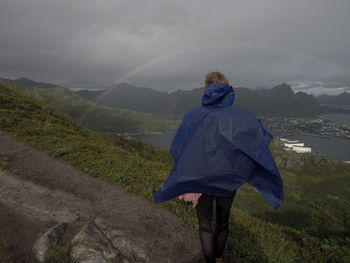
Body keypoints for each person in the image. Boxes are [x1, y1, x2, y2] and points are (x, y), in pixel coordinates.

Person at [154, 72, 284, 263]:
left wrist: (188, 175)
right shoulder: (243, 117)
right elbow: (257, 143)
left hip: (200, 179)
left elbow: (178, 148)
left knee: (205, 223)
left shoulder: (193, 115)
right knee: (223, 223)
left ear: (206, 88)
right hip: (228, 179)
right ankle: (219, 258)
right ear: (228, 89)